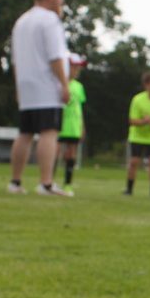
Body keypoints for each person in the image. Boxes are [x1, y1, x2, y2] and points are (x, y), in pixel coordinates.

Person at [8, 0, 72, 197]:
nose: (61, 0)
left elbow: (15, 60)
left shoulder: (21, 21)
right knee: (49, 132)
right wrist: (64, 84)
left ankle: (15, 181)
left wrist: (19, 86)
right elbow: (55, 56)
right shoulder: (50, 20)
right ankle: (46, 183)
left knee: (25, 133)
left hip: (26, 85)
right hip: (46, 85)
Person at [58, 54, 87, 194]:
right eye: (74, 67)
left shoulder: (79, 87)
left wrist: (82, 126)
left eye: (78, 68)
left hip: (74, 126)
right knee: (55, 151)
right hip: (59, 124)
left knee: (71, 154)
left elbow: (79, 108)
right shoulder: (58, 83)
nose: (76, 71)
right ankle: (48, 181)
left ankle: (68, 183)